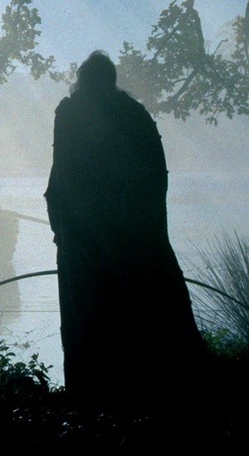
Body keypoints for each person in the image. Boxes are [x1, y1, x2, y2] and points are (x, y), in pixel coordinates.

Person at [44, 51, 209, 399]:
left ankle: (97, 393)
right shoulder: (134, 113)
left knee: (90, 315)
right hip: (136, 235)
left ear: (82, 80)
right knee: (140, 313)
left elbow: (64, 176)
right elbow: (155, 177)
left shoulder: (72, 113)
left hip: (87, 237)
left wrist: (62, 226)